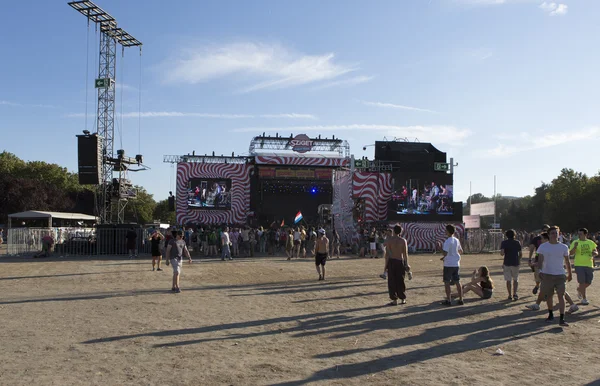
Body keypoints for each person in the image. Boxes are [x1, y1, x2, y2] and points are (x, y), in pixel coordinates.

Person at [535, 226, 572, 326]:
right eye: (552, 233)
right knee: (549, 296)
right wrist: (540, 271)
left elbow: (567, 261)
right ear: (549, 235)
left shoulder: (564, 247)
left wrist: (570, 273)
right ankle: (550, 314)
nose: (554, 235)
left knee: (561, 295)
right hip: (547, 275)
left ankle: (562, 318)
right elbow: (540, 260)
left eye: (556, 233)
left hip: (560, 274)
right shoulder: (543, 247)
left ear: (559, 234)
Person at [383, 224, 410, 305]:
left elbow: (387, 254)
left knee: (392, 281)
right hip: (400, 261)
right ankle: (402, 298)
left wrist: (385, 266)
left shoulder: (389, 240)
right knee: (400, 280)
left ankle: (394, 299)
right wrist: (407, 264)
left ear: (394, 231)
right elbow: (405, 254)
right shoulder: (403, 241)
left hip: (392, 261)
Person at [570, 228, 598, 306]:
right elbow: (571, 253)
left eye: (581, 234)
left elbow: (595, 251)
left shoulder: (590, 242)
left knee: (588, 282)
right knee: (582, 282)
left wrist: (594, 253)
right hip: (579, 265)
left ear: (586, 234)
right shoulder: (575, 242)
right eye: (578, 234)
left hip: (589, 264)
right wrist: (575, 247)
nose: (579, 236)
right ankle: (584, 298)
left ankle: (579, 290)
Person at [441, 224, 464, 306]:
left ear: (448, 231)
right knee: (457, 282)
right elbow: (461, 251)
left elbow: (445, 253)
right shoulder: (456, 240)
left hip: (448, 264)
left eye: (446, 230)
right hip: (456, 263)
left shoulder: (447, 241)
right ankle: (461, 299)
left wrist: (440, 248)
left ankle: (449, 300)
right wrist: (454, 254)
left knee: (447, 282)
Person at [500, 229, 522, 300]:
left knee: (508, 280)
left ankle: (509, 295)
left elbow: (502, 253)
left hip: (507, 262)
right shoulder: (517, 242)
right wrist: (518, 259)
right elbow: (520, 254)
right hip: (515, 262)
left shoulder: (504, 243)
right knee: (515, 279)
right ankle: (515, 293)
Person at [528, 224, 550, 295]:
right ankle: (537, 285)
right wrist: (530, 259)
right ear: (542, 231)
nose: (546, 232)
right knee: (537, 275)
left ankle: (546, 289)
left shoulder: (552, 239)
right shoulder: (536, 239)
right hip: (538, 258)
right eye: (544, 230)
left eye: (547, 230)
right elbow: (532, 249)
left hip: (549, 260)